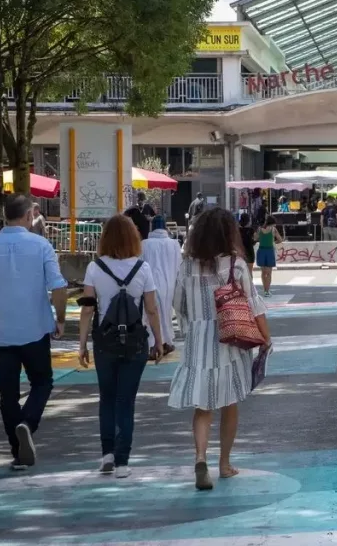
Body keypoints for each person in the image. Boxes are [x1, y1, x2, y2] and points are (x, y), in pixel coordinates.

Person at [169, 207, 271, 491]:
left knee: (203, 405)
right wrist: (266, 336)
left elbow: (178, 303)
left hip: (198, 340)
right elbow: (253, 302)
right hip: (231, 337)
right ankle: (224, 463)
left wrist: (191, 327)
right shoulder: (236, 264)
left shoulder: (187, 265)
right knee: (230, 402)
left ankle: (200, 457)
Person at [0, 195, 68, 471]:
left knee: (7, 394)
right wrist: (60, 319)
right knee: (42, 382)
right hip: (35, 328)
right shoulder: (41, 245)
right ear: (28, 216)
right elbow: (58, 287)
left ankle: (17, 449)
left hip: (0, 332)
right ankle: (28, 422)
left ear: (4, 216)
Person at [77, 215, 165, 478]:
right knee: (126, 401)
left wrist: (81, 344)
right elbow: (151, 309)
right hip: (135, 342)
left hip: (104, 341)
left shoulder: (95, 268)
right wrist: (158, 341)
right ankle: (123, 462)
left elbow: (87, 310)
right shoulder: (143, 269)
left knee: (106, 398)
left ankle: (106, 454)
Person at [142, 215, 181, 353]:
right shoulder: (174, 244)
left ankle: (152, 344)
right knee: (166, 314)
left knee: (149, 314)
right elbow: (179, 266)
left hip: (149, 286)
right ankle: (167, 342)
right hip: (169, 284)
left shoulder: (144, 244)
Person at [255, 215, 282, 297]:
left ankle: (265, 290)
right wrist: (273, 242)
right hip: (269, 251)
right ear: (272, 223)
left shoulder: (259, 229)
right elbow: (280, 239)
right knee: (269, 273)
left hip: (261, 250)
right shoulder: (274, 230)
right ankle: (267, 291)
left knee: (263, 272)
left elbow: (255, 238)